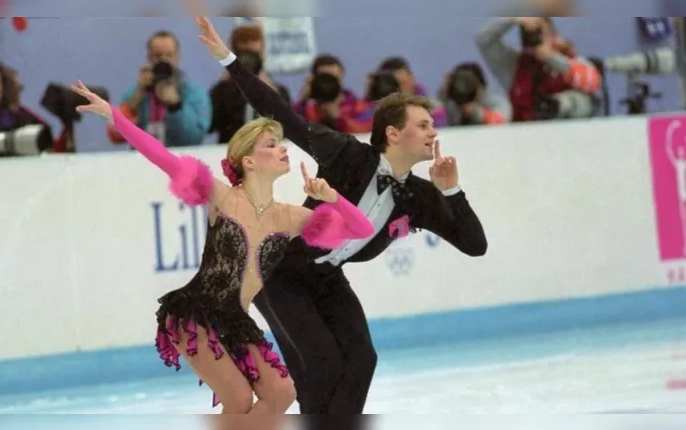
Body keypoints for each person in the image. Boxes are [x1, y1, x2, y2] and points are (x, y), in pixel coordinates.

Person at [194, 17, 488, 416]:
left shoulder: (416, 195)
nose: (434, 133)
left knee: (361, 361)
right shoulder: (347, 154)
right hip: (280, 271)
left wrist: (452, 190)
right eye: (423, 125)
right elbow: (282, 113)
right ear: (393, 134)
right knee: (322, 366)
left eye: (432, 125)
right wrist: (230, 61)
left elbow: (475, 245)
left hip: (327, 276)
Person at [68, 80, 374, 415]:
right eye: (271, 145)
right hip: (193, 314)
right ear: (249, 162)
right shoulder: (223, 197)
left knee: (282, 392)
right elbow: (160, 155)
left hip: (235, 320)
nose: (283, 149)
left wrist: (332, 198)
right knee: (240, 399)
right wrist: (114, 115)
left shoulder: (290, 217)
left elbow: (363, 229)